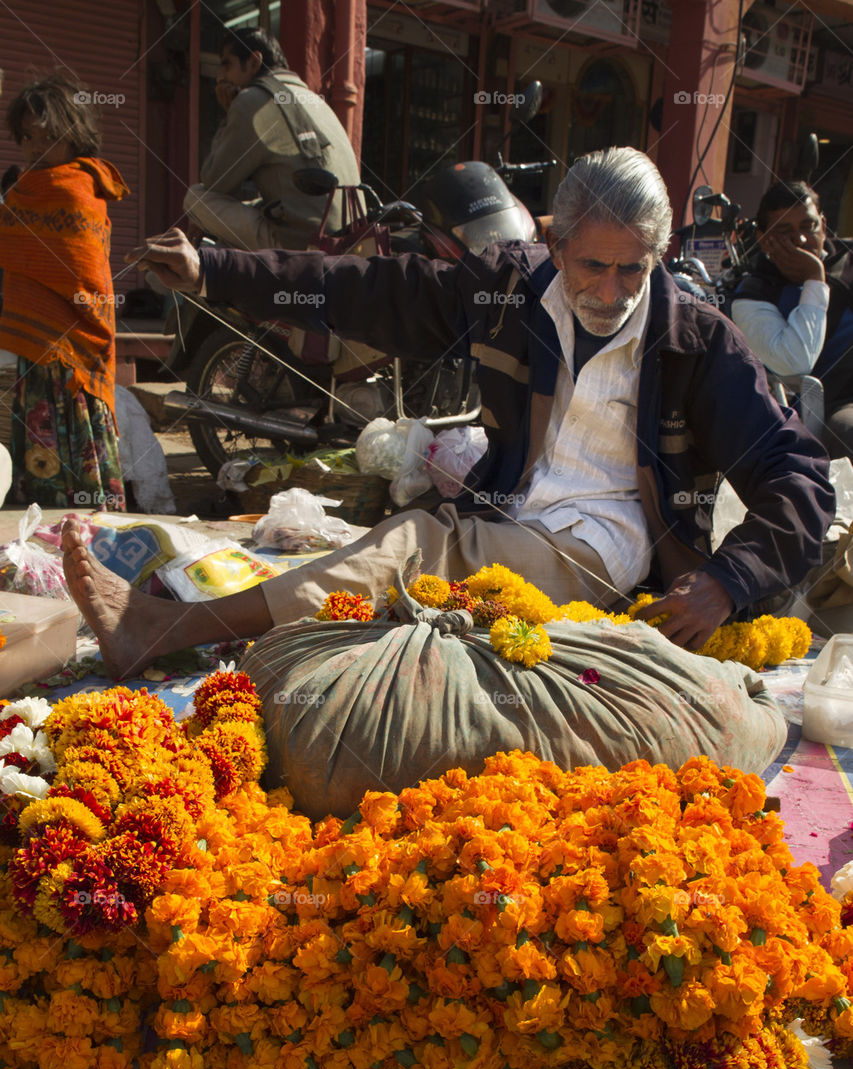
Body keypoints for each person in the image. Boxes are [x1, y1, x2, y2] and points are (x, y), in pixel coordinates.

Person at [62, 147, 834, 678]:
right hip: (510, 511)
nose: (611, 291)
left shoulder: (695, 342)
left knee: (416, 544)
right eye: (592, 266)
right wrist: (216, 268)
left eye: (632, 268)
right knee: (403, 581)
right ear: (554, 245)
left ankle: (164, 629)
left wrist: (726, 580)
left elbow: (795, 470)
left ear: (658, 256)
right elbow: (366, 290)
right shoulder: (505, 289)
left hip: (612, 545)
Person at [0, 73, 128, 510]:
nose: (35, 149)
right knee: (44, 455)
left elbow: (78, 269)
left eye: (47, 137)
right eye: (26, 138)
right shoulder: (24, 191)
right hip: (37, 353)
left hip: (72, 352)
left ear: (73, 136)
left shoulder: (74, 190)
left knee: (74, 450)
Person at [182, 27, 361, 252]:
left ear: (255, 61)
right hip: (347, 241)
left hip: (298, 243)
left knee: (196, 197)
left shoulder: (253, 100)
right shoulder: (314, 100)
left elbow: (214, 181)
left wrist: (230, 113)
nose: (221, 77)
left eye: (227, 65)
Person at [731, 180, 853, 458]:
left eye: (808, 226)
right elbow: (795, 361)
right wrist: (814, 280)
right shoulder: (754, 294)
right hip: (831, 406)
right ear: (763, 238)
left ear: (823, 224)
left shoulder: (848, 262)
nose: (800, 240)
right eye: (785, 232)